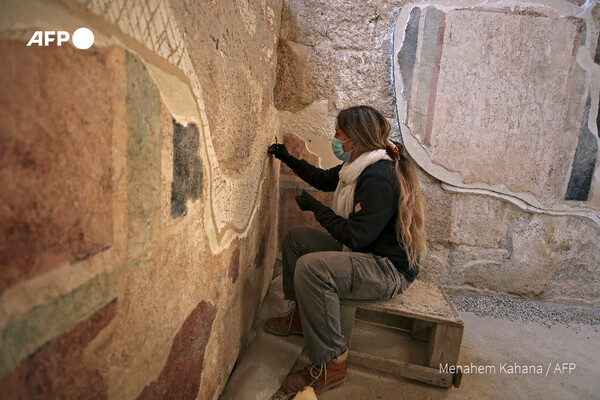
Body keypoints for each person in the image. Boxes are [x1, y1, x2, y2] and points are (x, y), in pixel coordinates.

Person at [265, 105, 426, 396]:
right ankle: (302, 317)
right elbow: (324, 180)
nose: (335, 139)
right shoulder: (359, 163)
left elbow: (356, 236)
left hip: (387, 268)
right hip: (366, 253)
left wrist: (316, 209)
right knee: (296, 239)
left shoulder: (378, 177)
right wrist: (288, 158)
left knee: (312, 268)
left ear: (354, 139)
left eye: (338, 134)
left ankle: (332, 363)